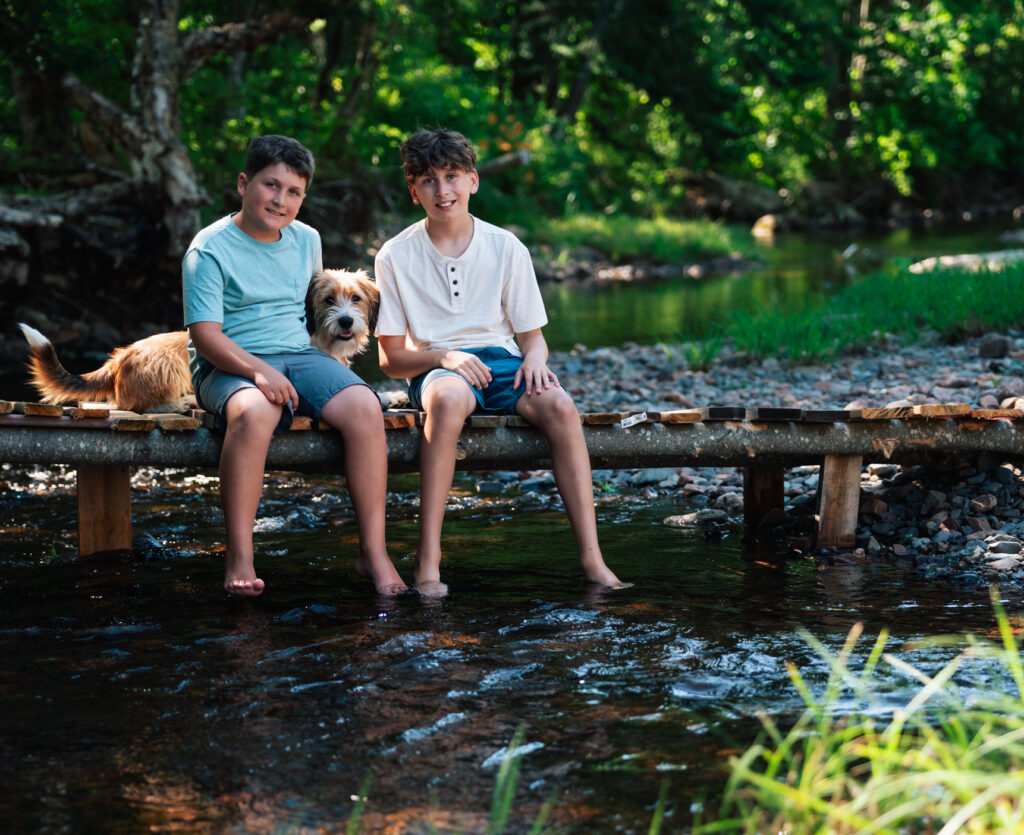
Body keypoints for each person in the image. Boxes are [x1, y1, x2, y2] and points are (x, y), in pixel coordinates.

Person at [375, 128, 629, 597]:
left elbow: (534, 339)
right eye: (428, 181)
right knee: (448, 399)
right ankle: (428, 563)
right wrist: (445, 356)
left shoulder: (506, 247)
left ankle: (593, 559)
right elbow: (391, 359)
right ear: (414, 192)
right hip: (437, 366)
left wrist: (534, 360)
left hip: (503, 362)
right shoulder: (395, 254)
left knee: (558, 405)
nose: (442, 190)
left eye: (452, 176)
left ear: (473, 181)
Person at [182, 134, 406, 597]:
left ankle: (373, 552)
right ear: (244, 184)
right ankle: (240, 557)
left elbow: (311, 309)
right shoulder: (209, 249)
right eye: (271, 185)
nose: (280, 200)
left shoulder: (307, 239)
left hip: (300, 356)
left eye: (294, 192)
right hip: (228, 361)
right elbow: (205, 336)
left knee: (365, 405)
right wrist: (259, 372)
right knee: (255, 411)